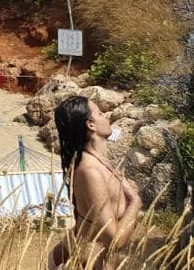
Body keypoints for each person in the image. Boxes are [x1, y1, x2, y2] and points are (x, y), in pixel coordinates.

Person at [49, 96, 141, 270]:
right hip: (82, 262)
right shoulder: (90, 172)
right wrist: (135, 202)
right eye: (100, 113)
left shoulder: (101, 164)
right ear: (91, 125)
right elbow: (114, 241)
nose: (106, 115)